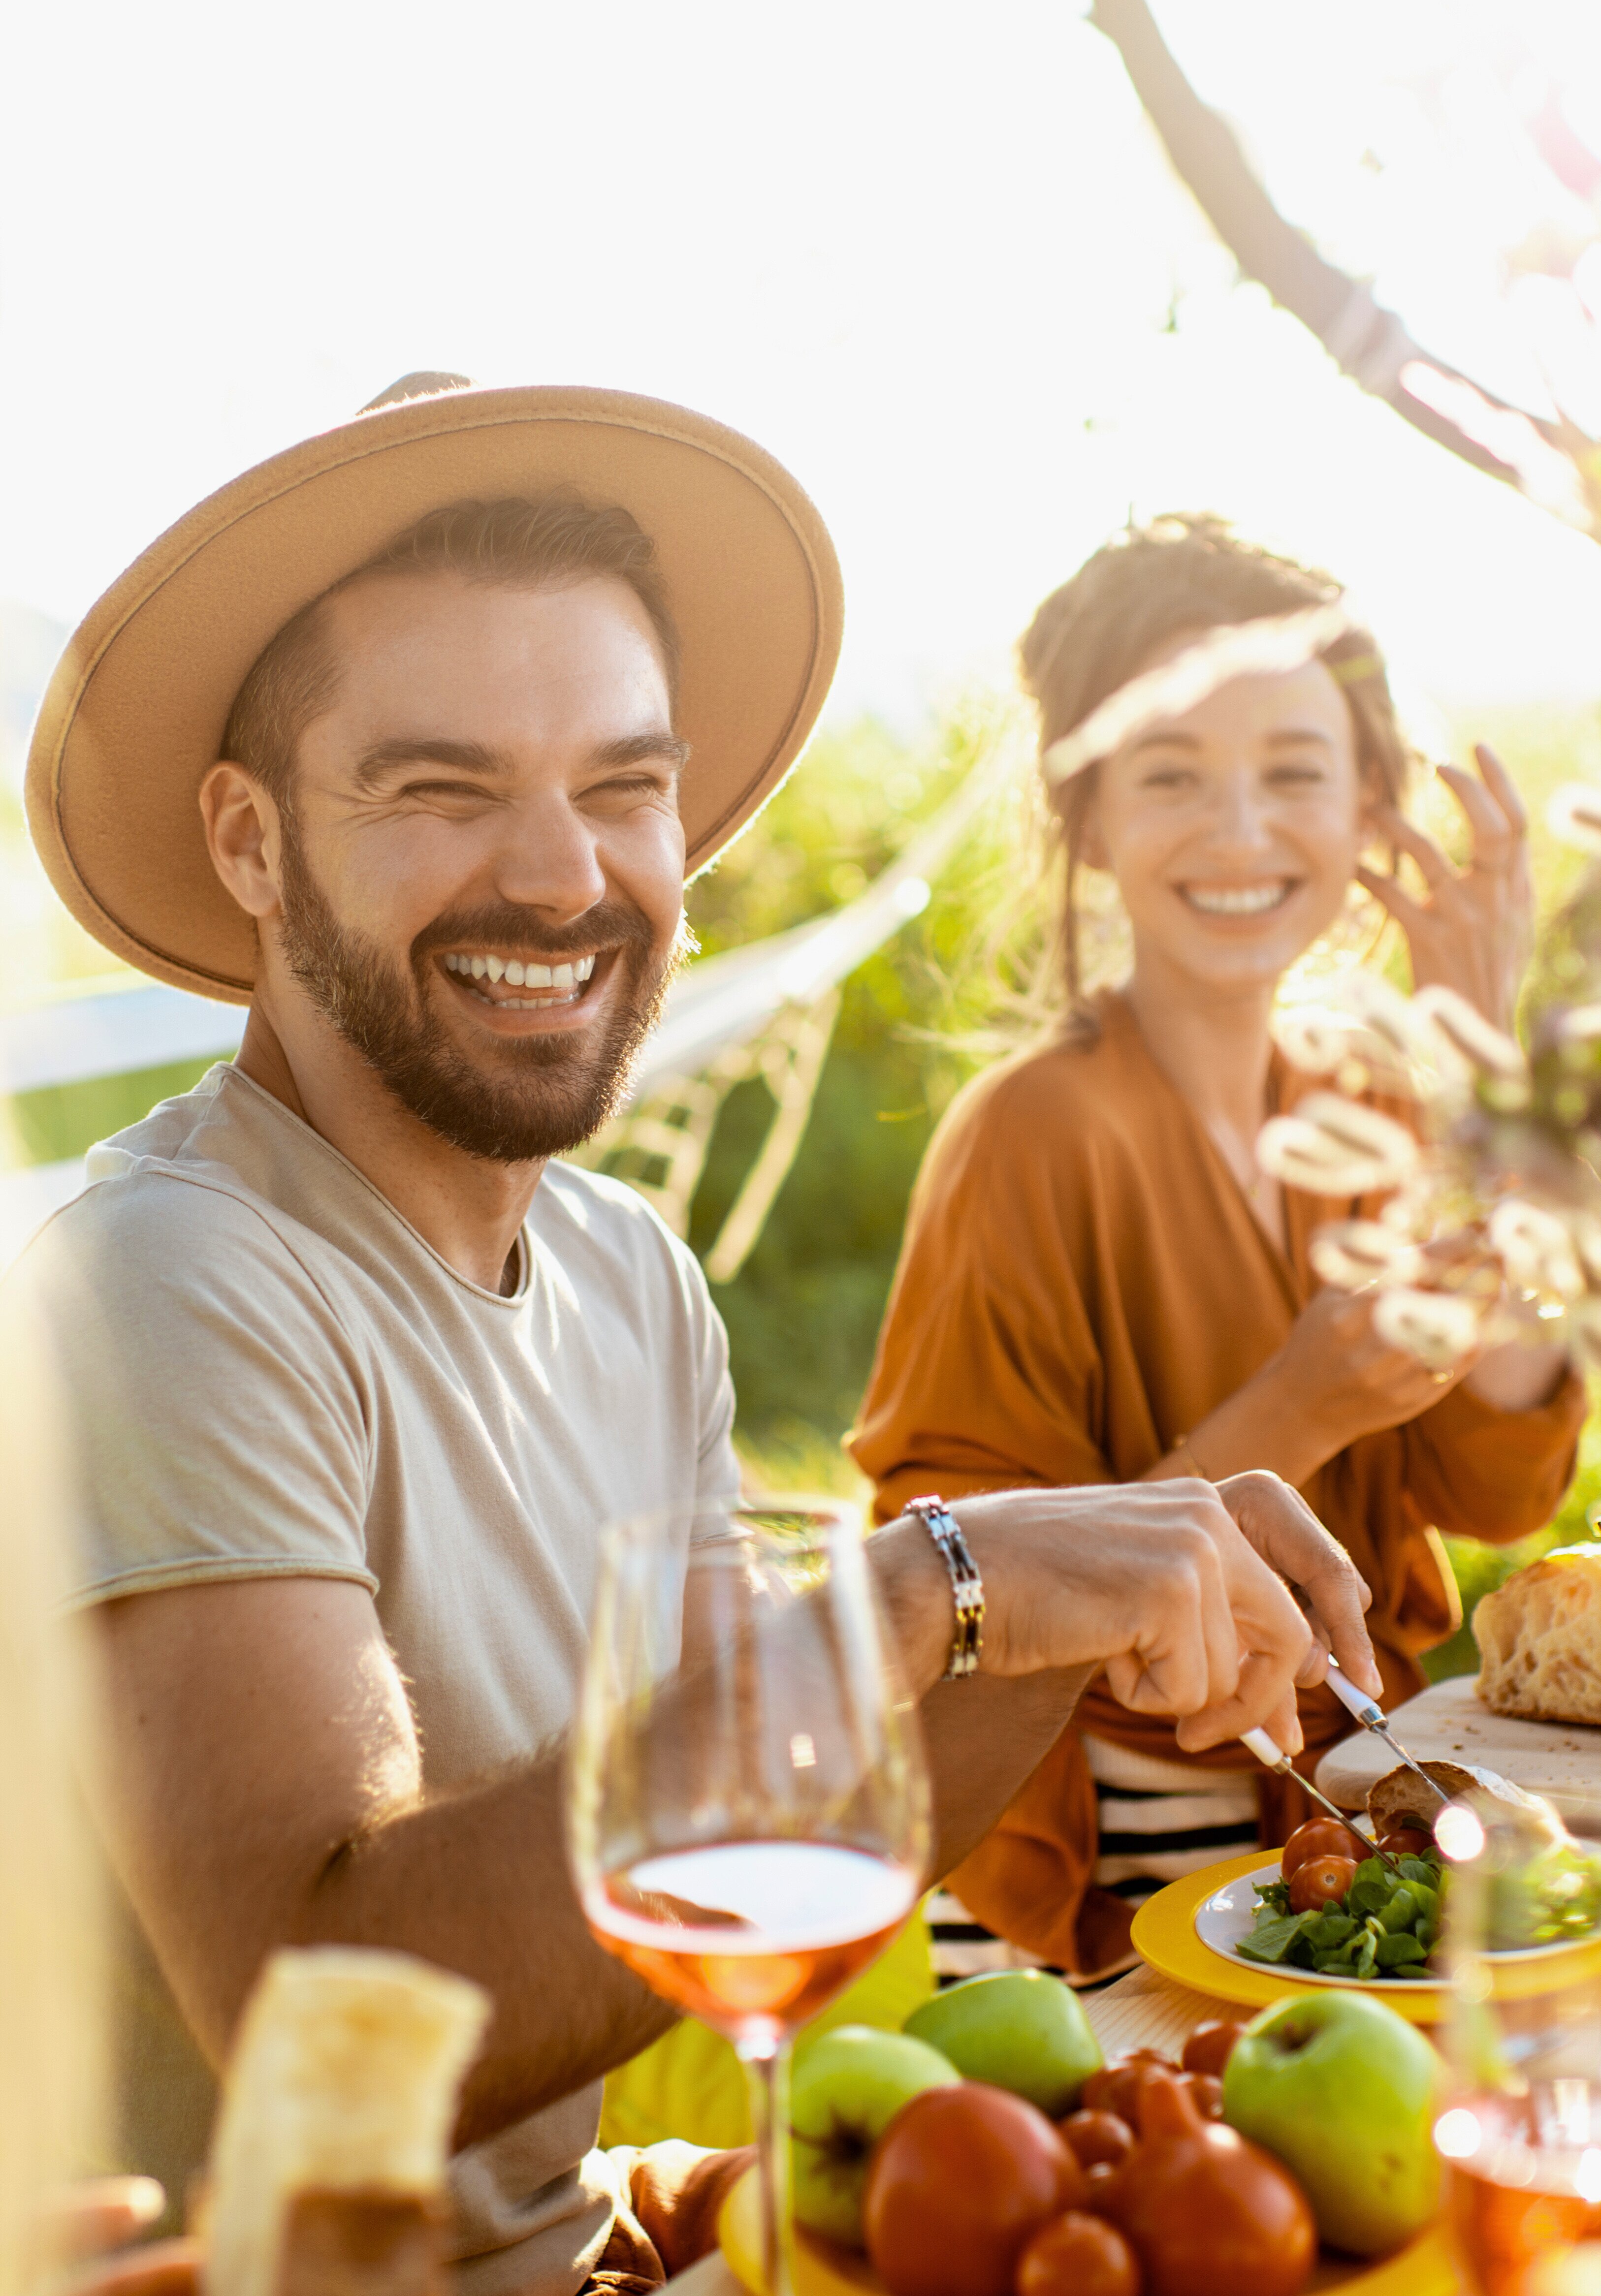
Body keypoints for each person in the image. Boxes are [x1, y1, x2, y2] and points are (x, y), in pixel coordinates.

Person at [4, 386, 1377, 2296]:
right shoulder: (165, 1282)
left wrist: (1103, 1573)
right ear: (248, 840)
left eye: (622, 783)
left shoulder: (626, 1277)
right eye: (441, 787)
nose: (565, 878)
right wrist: (935, 1582)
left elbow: (767, 1809)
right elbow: (314, 2004)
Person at [850, 515, 1587, 1983]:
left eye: (1294, 774)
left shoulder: (1379, 1102)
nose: (1241, 832)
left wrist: (1479, 1054)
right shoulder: (1027, 1140)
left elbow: (1507, 1478)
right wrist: (1305, 1403)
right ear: (1088, 814)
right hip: (1101, 1853)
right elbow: (966, 1609)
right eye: (1173, 776)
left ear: (1375, 805)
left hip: (1346, 1806)